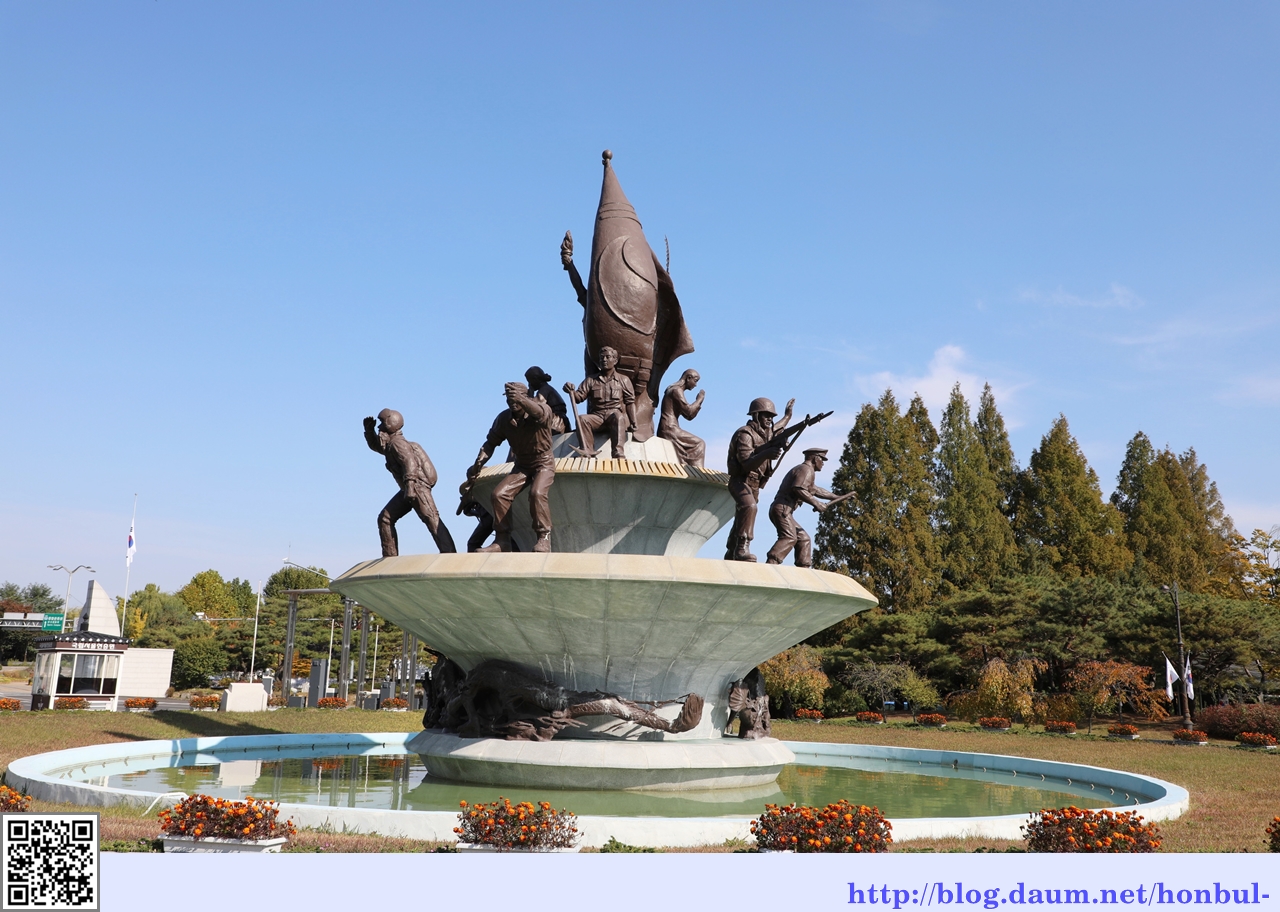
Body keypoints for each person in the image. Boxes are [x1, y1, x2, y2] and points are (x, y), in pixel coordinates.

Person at [467, 382, 557, 553]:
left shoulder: (542, 409)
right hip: (522, 465)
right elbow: (490, 443)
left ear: (526, 397)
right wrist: (478, 463)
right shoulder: (504, 419)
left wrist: (522, 400)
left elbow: (540, 414)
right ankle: (502, 541)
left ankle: (543, 537)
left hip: (543, 462)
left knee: (537, 493)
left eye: (515, 398)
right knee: (499, 495)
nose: (512, 402)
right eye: (509, 398)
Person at [363, 409, 457, 558]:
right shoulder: (391, 444)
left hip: (416, 488)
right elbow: (378, 447)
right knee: (385, 518)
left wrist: (411, 487)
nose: (379, 427)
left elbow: (410, 463)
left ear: (390, 423)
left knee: (432, 520)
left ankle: (450, 555)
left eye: (382, 423)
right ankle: (390, 558)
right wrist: (369, 431)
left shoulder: (397, 444)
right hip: (408, 488)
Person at [724, 396, 794, 562]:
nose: (770, 419)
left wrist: (788, 416)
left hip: (755, 483)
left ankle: (731, 551)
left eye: (771, 416)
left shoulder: (768, 433)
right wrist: (767, 454)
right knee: (750, 507)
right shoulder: (745, 434)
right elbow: (746, 463)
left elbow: (780, 426)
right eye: (766, 415)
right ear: (756, 415)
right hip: (740, 480)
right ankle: (742, 548)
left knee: (743, 517)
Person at [766, 448, 838, 568]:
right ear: (815, 458)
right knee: (789, 537)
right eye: (822, 460)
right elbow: (798, 489)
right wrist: (816, 503)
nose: (823, 463)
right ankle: (771, 565)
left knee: (804, 539)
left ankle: (803, 569)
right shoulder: (806, 470)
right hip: (783, 509)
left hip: (784, 510)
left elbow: (816, 490)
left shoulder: (805, 471)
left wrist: (836, 497)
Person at [563, 346, 636, 459]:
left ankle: (618, 452)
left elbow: (630, 402)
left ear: (615, 360)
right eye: (602, 358)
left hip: (613, 415)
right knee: (582, 419)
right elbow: (579, 398)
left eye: (608, 357)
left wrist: (634, 422)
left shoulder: (623, 380)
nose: (604, 360)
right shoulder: (591, 380)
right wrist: (571, 391)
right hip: (597, 417)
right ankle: (587, 450)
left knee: (618, 416)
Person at [657, 369, 706, 467]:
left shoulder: (676, 390)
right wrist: (699, 399)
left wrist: (698, 403)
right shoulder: (676, 390)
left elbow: (689, 416)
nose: (695, 385)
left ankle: (689, 470)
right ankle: (697, 472)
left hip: (669, 428)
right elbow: (689, 411)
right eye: (695, 381)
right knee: (700, 444)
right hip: (669, 429)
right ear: (688, 378)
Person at [524, 365, 570, 435]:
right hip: (557, 420)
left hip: (556, 422)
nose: (529, 384)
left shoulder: (544, 389)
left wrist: (530, 395)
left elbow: (535, 406)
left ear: (535, 379)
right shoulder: (545, 388)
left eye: (529, 381)